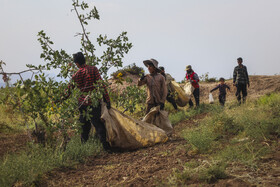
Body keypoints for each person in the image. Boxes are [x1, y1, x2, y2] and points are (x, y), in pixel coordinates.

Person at [62, 52, 111, 151]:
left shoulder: (76, 75)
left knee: (84, 127)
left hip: (82, 103)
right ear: (84, 59)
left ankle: (83, 148)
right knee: (98, 124)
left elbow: (68, 91)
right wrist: (107, 99)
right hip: (93, 101)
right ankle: (106, 148)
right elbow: (101, 85)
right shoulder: (93, 69)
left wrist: (60, 99)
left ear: (77, 63)